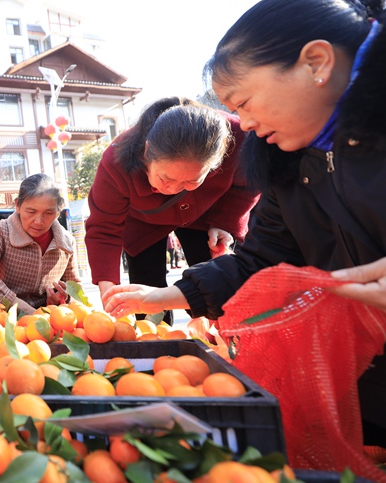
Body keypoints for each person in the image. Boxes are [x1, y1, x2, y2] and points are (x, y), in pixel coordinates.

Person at [102, 0, 385, 444]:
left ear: (316, 62)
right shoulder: (287, 159)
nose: (246, 124)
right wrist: (165, 296)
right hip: (358, 379)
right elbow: (261, 261)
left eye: (246, 102)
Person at [84, 97, 259, 323]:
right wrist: (109, 290)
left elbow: (249, 184)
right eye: (165, 178)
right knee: (146, 293)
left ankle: (216, 336)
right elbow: (103, 228)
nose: (173, 189)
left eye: (191, 181)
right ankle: (158, 345)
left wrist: (225, 222)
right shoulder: (115, 161)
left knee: (217, 284)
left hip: (206, 215)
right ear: (147, 152)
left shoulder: (239, 139)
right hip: (143, 222)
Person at [0, 173, 79, 314]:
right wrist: (18, 305)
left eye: (48, 213)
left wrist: (64, 298)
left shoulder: (66, 243)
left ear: (58, 211)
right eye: (31, 211)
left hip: (46, 322)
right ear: (17, 205)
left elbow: (76, 289)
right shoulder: (0, 232)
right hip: (0, 317)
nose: (38, 221)